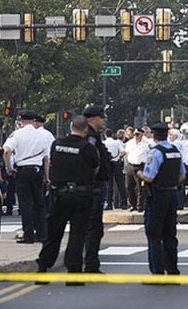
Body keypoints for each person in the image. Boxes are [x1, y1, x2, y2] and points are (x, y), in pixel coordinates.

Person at [35, 116, 98, 284]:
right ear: (85, 130)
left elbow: (53, 162)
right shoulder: (87, 147)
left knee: (53, 233)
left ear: (71, 127)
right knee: (77, 235)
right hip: (81, 195)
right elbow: (95, 168)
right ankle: (73, 274)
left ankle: (42, 268)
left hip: (59, 194)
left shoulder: (57, 144)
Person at [136, 123, 186, 276]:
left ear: (154, 135)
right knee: (170, 234)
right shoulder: (176, 151)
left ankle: (157, 271)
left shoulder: (155, 153)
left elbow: (149, 177)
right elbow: (183, 175)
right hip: (172, 195)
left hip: (157, 196)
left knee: (154, 234)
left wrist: (139, 173)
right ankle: (172, 269)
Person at [4, 110, 48, 244]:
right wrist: (46, 176)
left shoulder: (17, 134)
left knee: (25, 204)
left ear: (21, 120)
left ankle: (28, 235)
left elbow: (6, 151)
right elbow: (46, 158)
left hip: (23, 171)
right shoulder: (41, 135)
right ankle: (42, 234)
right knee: (39, 204)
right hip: (37, 171)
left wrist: (9, 168)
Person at [82, 105, 112, 274]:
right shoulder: (91, 139)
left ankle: (89, 263)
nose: (104, 120)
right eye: (102, 117)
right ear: (92, 119)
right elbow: (93, 164)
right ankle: (91, 265)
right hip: (93, 188)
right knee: (93, 228)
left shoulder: (93, 137)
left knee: (90, 227)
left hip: (91, 188)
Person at [124, 128, 151, 212]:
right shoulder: (130, 143)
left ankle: (140, 206)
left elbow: (151, 155)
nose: (136, 136)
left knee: (140, 187)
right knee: (129, 186)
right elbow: (126, 152)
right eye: (135, 134)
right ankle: (133, 204)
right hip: (130, 166)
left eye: (138, 134)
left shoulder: (147, 144)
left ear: (142, 135)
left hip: (141, 167)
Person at [103, 128, 126, 211]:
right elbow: (124, 152)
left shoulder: (104, 143)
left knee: (109, 185)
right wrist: (119, 157)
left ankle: (109, 204)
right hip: (117, 164)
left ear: (105, 135)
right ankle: (123, 204)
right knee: (120, 184)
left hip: (108, 164)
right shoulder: (116, 143)